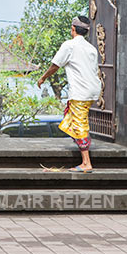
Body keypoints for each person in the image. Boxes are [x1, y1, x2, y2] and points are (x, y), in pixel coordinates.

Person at [37, 16, 101, 173]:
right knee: (72, 120)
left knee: (79, 124)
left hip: (80, 92)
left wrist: (43, 77)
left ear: (73, 29)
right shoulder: (91, 48)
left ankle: (86, 163)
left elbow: (55, 65)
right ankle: (82, 147)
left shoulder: (70, 46)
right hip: (92, 90)